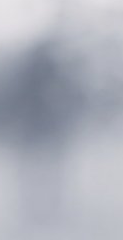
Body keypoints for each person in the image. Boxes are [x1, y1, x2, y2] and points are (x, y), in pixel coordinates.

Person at [7, 32, 78, 222]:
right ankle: (40, 209)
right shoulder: (51, 78)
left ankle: (40, 208)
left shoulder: (29, 78)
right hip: (39, 131)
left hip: (37, 131)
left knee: (39, 170)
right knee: (41, 170)